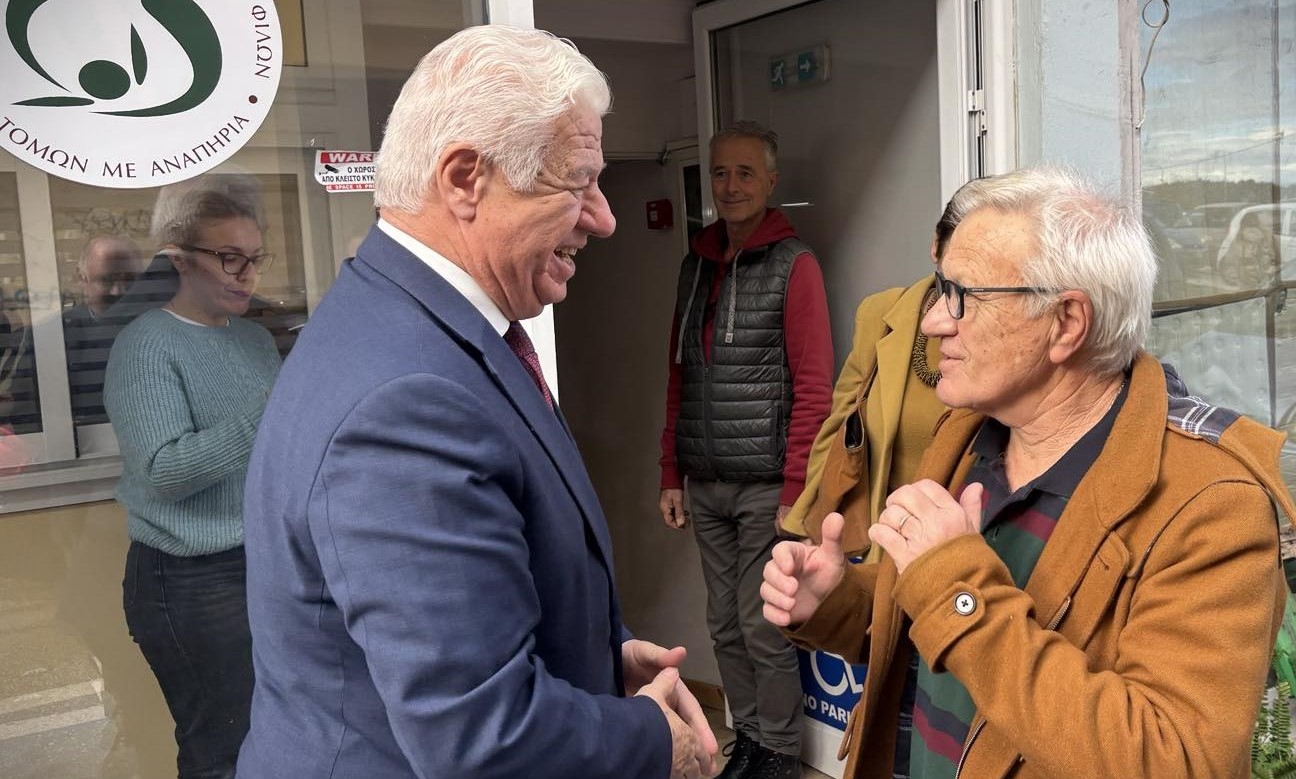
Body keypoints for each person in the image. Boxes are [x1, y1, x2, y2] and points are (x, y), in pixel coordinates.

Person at [237, 26, 717, 779]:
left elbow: (461, 619)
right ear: (465, 179)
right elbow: (482, 737)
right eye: (577, 182)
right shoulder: (408, 400)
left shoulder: (403, 321)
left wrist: (597, 657)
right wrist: (657, 741)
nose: (603, 218)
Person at [761, 166, 1296, 779]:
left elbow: (1174, 761)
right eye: (939, 290)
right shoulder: (966, 435)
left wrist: (955, 588)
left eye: (963, 295)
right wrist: (836, 602)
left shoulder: (1209, 503)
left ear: (1066, 323)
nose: (934, 322)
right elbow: (935, 636)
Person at [658, 120, 833, 779]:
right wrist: (670, 470)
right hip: (705, 480)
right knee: (725, 624)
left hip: (766, 484)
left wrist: (797, 490)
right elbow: (678, 375)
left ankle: (780, 753)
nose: (730, 186)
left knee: (762, 625)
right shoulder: (695, 265)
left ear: (771, 181)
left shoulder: (795, 265)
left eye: (745, 173)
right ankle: (751, 740)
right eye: (720, 173)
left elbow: (815, 386)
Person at [102, 174, 281, 779]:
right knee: (222, 750)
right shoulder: (145, 344)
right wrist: (268, 416)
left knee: (273, 734)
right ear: (180, 259)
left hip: (263, 561)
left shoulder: (255, 340)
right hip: (189, 579)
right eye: (229, 257)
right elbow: (162, 472)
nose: (245, 274)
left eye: (254, 258)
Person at [781, 197, 961, 559]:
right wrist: (812, 527)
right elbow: (839, 425)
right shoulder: (882, 313)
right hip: (878, 544)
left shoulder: (1005, 332)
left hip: (959, 547)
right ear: (936, 246)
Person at [64, 235, 143, 424]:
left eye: (130, 279)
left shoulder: (165, 328)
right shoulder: (55, 338)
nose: (119, 291)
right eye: (107, 280)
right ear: (82, 277)